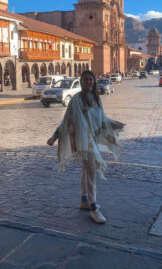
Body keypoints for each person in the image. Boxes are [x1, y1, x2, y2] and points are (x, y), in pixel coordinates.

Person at [47, 70, 125, 224]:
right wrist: (55, 136)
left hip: (91, 139)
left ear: (94, 81)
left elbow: (101, 118)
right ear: (81, 82)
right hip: (82, 141)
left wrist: (114, 125)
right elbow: (66, 120)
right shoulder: (76, 99)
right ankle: (93, 208)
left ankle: (84, 200)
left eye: (91, 79)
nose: (88, 82)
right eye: (86, 79)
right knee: (91, 173)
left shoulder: (97, 99)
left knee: (85, 170)